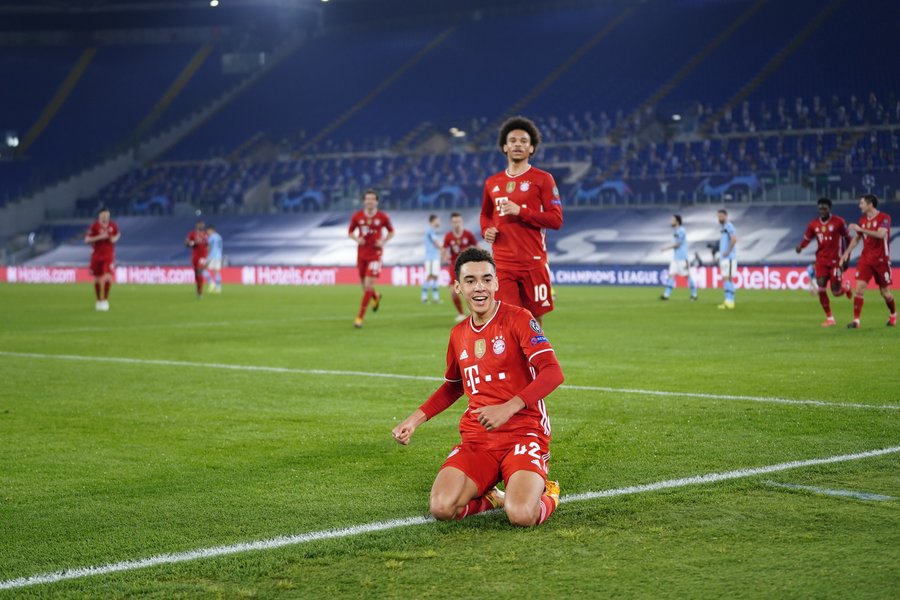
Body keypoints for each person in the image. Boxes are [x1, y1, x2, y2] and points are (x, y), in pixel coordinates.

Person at [391, 247, 564, 527]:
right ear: (458, 287)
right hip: (478, 439)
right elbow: (453, 387)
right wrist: (413, 421)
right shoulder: (458, 334)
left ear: (496, 283)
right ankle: (493, 498)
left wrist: (508, 408)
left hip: (524, 433)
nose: (479, 287)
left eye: (486, 279)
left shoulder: (519, 318)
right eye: (470, 281)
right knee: (442, 508)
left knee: (521, 515)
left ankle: (549, 492)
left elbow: (553, 372)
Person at [480, 116, 563, 327]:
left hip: (532, 262)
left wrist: (521, 211)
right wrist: (486, 230)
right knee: (509, 320)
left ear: (532, 148)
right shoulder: (492, 182)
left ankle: (535, 350)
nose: (518, 144)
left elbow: (556, 219)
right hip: (503, 264)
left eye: (524, 141)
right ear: (505, 147)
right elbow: (485, 215)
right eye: (513, 140)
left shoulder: (543, 179)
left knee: (534, 320)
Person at [839, 193, 895, 328]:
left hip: (881, 260)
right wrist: (846, 253)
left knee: (885, 292)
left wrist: (861, 229)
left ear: (870, 205)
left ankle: (893, 314)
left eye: (862, 203)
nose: (860, 206)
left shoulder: (884, 217)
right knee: (859, 288)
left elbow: (881, 234)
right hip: (866, 259)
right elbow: (857, 238)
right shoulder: (862, 220)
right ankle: (856, 321)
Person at [794, 197, 852, 326]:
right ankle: (830, 318)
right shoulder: (813, 224)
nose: (822, 211)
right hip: (821, 261)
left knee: (836, 292)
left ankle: (846, 288)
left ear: (829, 209)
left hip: (836, 261)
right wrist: (800, 247)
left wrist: (847, 256)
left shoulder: (839, 222)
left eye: (824, 208)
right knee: (821, 288)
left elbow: (848, 238)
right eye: (820, 208)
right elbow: (807, 239)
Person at [348, 189, 394, 328]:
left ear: (376, 201)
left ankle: (359, 318)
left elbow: (391, 231)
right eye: (367, 199)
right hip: (362, 254)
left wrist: (383, 241)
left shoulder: (382, 217)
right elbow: (350, 232)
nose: (370, 201)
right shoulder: (357, 216)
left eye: (372, 199)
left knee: (368, 285)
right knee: (364, 286)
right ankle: (376, 296)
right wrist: (357, 239)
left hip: (375, 254)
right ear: (364, 201)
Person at [442, 212, 479, 322]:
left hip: (467, 267)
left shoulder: (468, 234)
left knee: (470, 290)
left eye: (458, 221)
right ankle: (461, 313)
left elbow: (477, 246)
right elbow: (444, 249)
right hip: (454, 266)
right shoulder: (448, 236)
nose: (456, 224)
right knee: (454, 291)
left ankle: (474, 308)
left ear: (462, 222)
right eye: (454, 222)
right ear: (451, 223)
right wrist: (444, 257)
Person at [84, 206, 120, 311]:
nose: (106, 217)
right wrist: (100, 237)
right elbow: (87, 240)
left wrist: (114, 239)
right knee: (97, 279)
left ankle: (105, 300)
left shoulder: (113, 225)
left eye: (107, 215)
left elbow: (118, 234)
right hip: (96, 255)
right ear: (100, 216)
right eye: (104, 215)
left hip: (108, 255)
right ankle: (98, 300)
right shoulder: (94, 226)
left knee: (108, 276)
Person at [659, 214, 698, 301]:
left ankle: (694, 294)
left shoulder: (681, 231)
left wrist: (665, 248)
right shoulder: (676, 231)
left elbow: (677, 244)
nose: (671, 221)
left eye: (672, 220)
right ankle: (666, 295)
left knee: (687, 276)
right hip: (676, 258)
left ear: (677, 221)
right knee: (671, 275)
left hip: (683, 258)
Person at [717, 209, 737, 309]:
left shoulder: (729, 226)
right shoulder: (724, 228)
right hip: (725, 258)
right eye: (718, 216)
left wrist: (728, 251)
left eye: (721, 216)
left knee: (726, 278)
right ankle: (730, 301)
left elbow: (734, 239)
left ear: (726, 216)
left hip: (728, 258)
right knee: (728, 279)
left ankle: (729, 301)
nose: (719, 218)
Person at [185, 220, 209, 298]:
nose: (202, 226)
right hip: (195, 256)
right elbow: (186, 244)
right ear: (197, 225)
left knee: (199, 272)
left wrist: (208, 256)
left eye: (203, 224)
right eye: (200, 224)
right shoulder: (192, 234)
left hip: (203, 257)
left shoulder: (206, 234)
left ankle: (200, 292)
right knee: (196, 274)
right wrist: (193, 243)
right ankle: (198, 288)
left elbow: (208, 245)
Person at [422, 214, 442, 304]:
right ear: (433, 221)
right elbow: (436, 243)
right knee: (430, 276)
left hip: (433, 256)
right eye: (437, 220)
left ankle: (435, 298)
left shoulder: (432, 231)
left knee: (435, 276)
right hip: (431, 257)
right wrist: (443, 248)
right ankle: (424, 297)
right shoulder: (430, 231)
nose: (439, 222)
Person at [205, 224, 224, 294]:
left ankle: (211, 283)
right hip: (219, 256)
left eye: (208, 231)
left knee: (203, 269)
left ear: (211, 230)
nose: (207, 232)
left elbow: (209, 247)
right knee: (216, 272)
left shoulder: (211, 237)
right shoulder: (219, 236)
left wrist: (206, 254)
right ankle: (218, 288)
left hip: (212, 256)